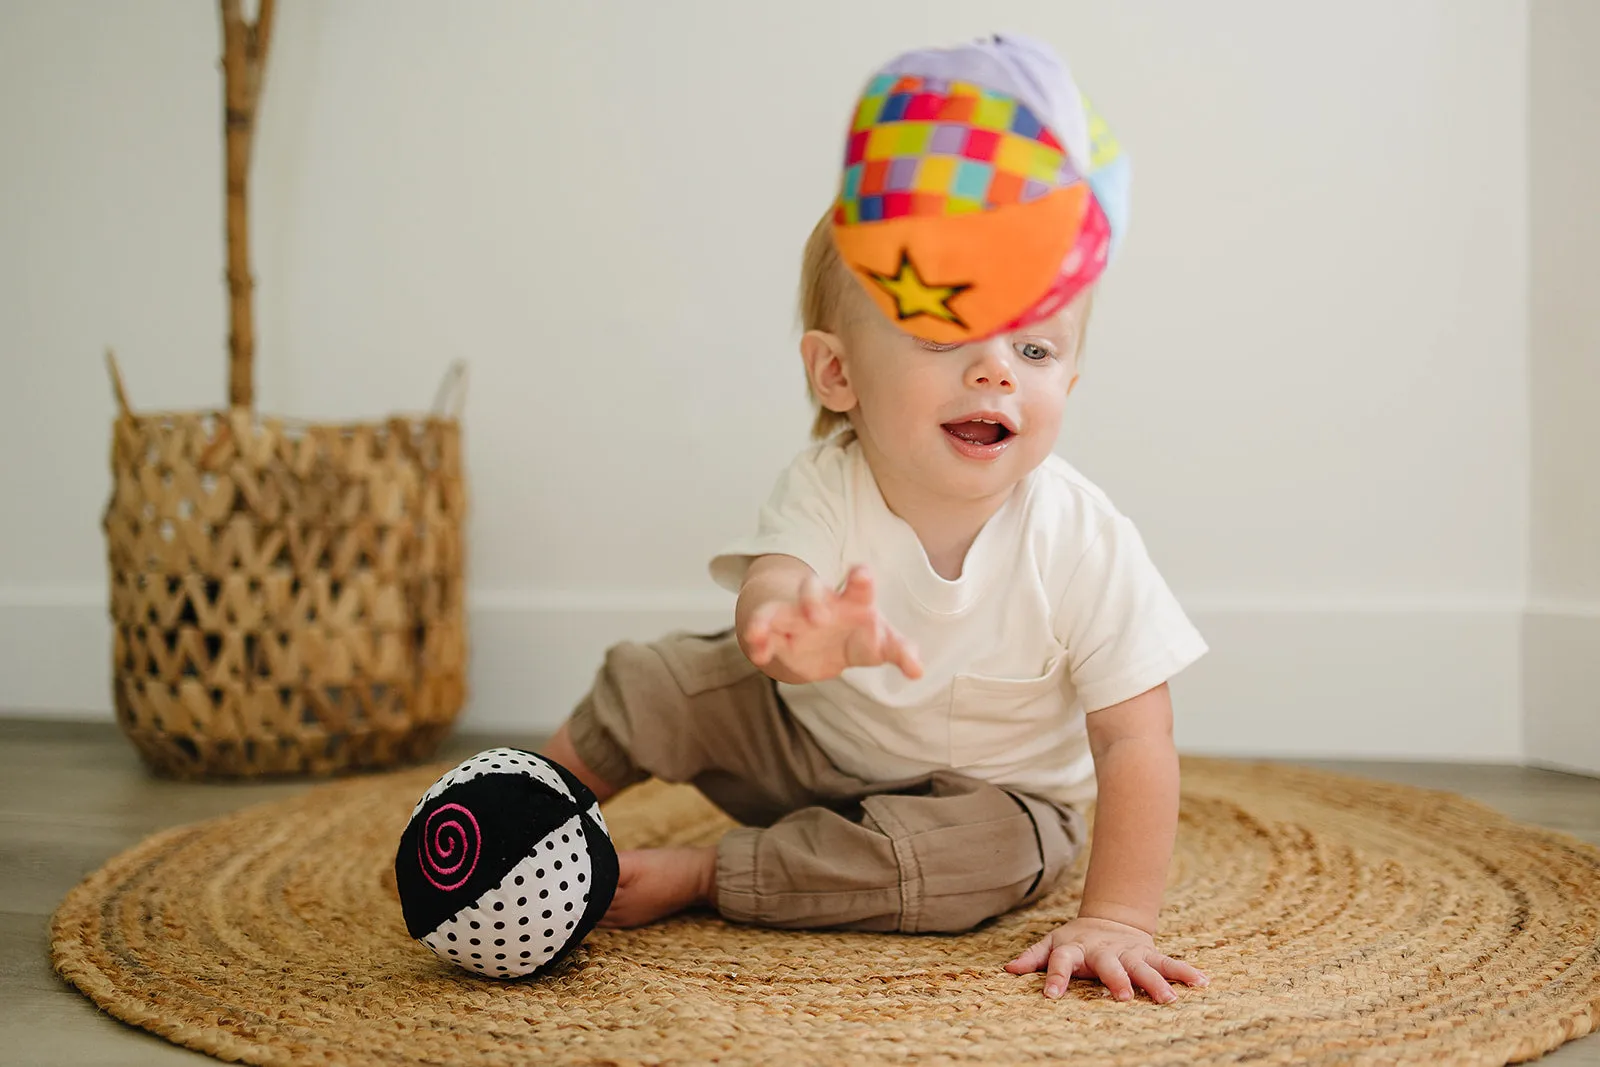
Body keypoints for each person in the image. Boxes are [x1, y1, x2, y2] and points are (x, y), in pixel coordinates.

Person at [543, 33, 1211, 1004]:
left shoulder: (1082, 537)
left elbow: (1133, 740)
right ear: (837, 372)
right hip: (804, 737)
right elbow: (771, 594)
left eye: (1033, 346)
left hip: (987, 797)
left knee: (977, 864)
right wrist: (788, 633)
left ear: (1068, 376)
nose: (994, 369)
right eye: (945, 329)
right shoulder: (827, 482)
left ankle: (710, 874)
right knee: (663, 678)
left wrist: (1114, 915)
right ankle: (531, 800)